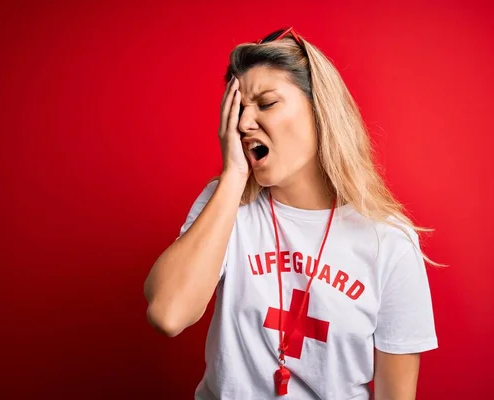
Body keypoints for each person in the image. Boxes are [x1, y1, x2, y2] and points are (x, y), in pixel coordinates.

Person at [144, 27, 442, 400]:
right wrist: (234, 177)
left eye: (266, 104)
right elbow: (168, 314)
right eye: (238, 109)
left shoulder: (389, 242)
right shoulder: (225, 204)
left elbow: (395, 394)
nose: (243, 123)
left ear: (321, 113)